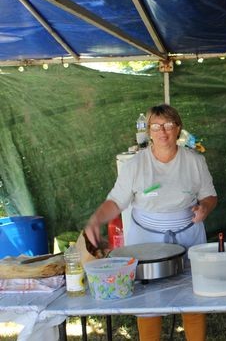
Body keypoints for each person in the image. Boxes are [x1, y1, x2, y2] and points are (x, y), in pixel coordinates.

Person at [84, 104, 217, 341]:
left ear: (178, 128)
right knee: (148, 300)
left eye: (168, 125)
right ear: (148, 131)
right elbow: (116, 201)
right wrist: (96, 220)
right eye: (156, 126)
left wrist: (205, 207)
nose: (162, 132)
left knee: (193, 295)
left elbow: (209, 195)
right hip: (146, 239)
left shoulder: (195, 160)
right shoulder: (135, 165)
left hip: (188, 233)